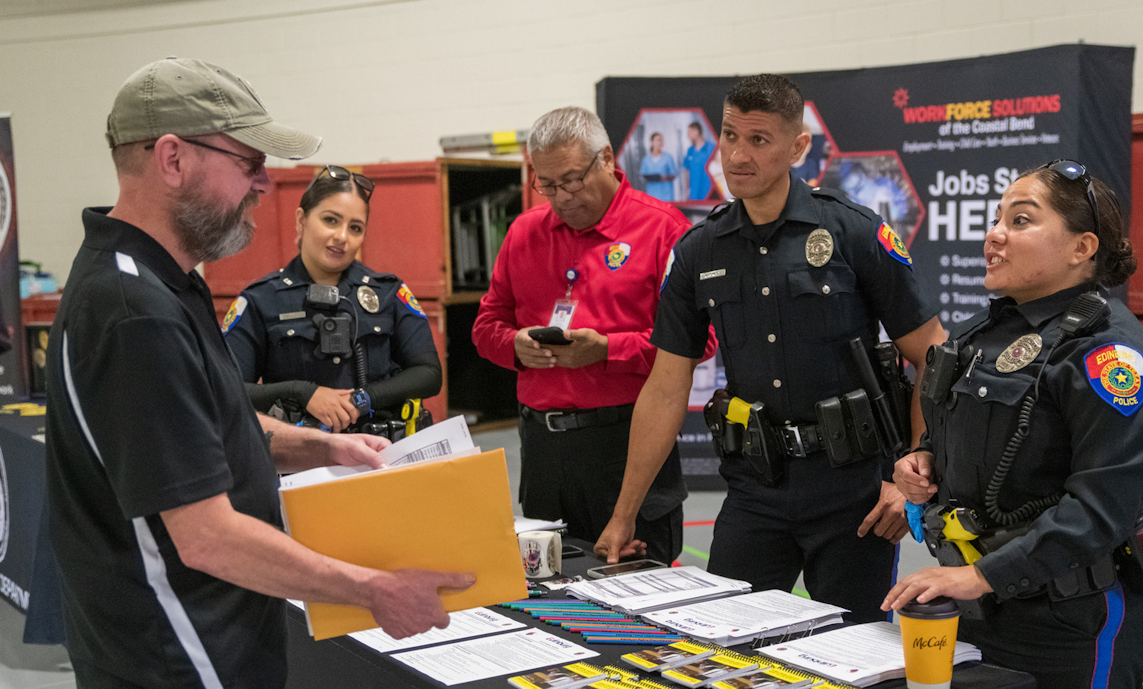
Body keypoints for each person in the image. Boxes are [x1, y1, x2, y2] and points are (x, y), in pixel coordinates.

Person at [45, 57, 471, 688]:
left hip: (214, 634)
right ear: (172, 159)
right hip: (181, 653)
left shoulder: (163, 283)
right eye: (248, 164)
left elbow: (201, 430)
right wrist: (373, 589)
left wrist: (320, 445)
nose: (264, 185)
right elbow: (207, 537)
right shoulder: (135, 313)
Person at [595, 74, 946, 623]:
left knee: (855, 659)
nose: (737, 154)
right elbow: (665, 387)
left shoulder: (853, 232)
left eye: (758, 140)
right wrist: (624, 514)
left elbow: (934, 357)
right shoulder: (698, 251)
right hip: (756, 487)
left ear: (798, 147)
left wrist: (909, 479)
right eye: (730, 135)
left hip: (854, 495)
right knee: (724, 647)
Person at [885, 161, 1143, 688]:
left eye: (1020, 221)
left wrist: (981, 575)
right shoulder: (980, 335)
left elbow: (1102, 508)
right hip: (978, 605)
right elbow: (953, 439)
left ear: (1082, 248)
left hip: (1070, 618)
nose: (994, 234)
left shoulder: (1109, 353)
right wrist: (920, 464)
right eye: (996, 219)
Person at [472, 106, 711, 564]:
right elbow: (486, 328)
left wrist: (607, 350)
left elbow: (702, 341)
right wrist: (516, 347)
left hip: (626, 446)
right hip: (544, 453)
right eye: (546, 184)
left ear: (605, 159)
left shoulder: (663, 230)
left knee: (641, 597)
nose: (560, 196)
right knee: (548, 597)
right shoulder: (524, 233)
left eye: (571, 180)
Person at [223, 165, 441, 436]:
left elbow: (428, 374)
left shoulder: (387, 292)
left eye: (355, 227)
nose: (342, 237)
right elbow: (226, 388)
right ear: (301, 221)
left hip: (383, 455)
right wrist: (302, 393)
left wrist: (364, 398)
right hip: (302, 461)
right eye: (331, 220)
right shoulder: (261, 300)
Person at [640, 131, 678, 201]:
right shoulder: (646, 160)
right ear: (652, 142)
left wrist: (662, 177)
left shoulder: (668, 158)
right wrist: (655, 177)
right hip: (652, 197)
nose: (660, 143)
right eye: (658, 140)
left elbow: (673, 175)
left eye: (661, 140)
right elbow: (643, 177)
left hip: (666, 197)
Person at [683, 122, 715, 201]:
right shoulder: (690, 151)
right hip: (694, 193)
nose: (688, 136)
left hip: (708, 192)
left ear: (696, 132)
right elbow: (687, 171)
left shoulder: (711, 148)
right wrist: (687, 191)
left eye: (689, 133)